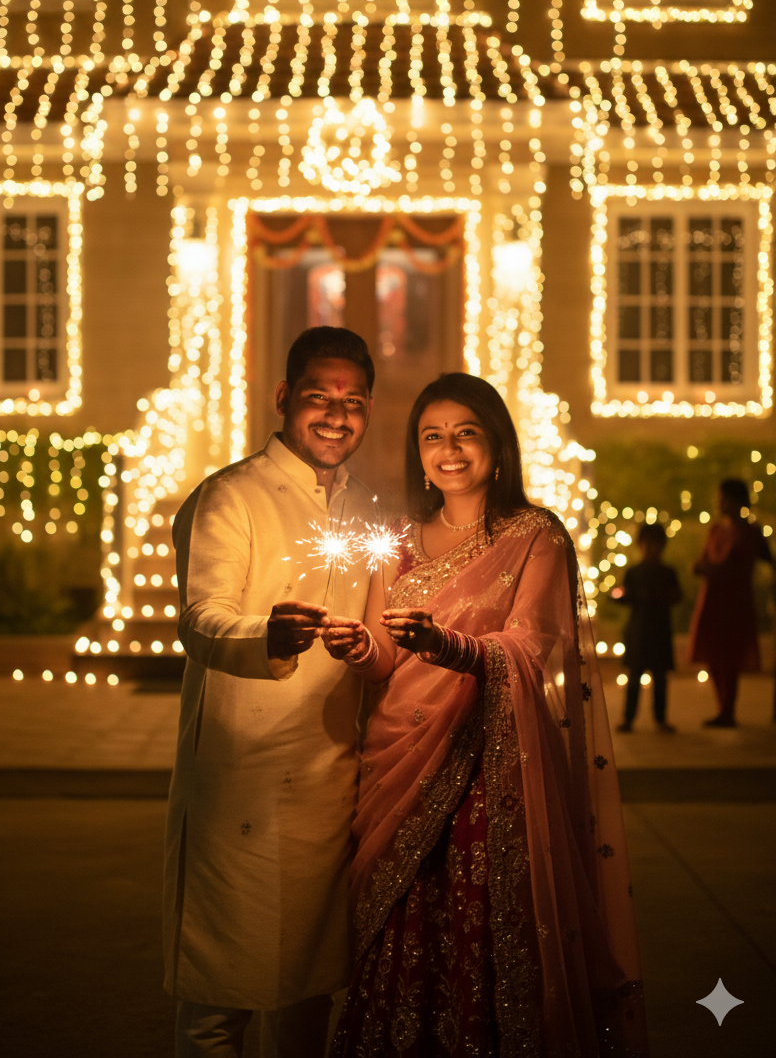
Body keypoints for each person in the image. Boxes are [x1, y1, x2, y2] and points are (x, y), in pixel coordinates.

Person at [321, 372, 649, 1058]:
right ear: (418, 452)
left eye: (466, 433)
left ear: (497, 446)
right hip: (399, 757)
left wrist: (450, 645)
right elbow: (385, 654)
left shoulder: (535, 536)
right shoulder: (400, 538)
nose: (449, 450)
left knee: (479, 918)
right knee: (403, 918)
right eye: (432, 436)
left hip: (490, 761)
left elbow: (534, 646)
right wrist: (361, 647)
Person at [163, 326, 379, 1058]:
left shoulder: (358, 509)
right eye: (319, 397)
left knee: (308, 991)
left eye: (352, 402)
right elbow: (200, 620)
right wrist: (269, 637)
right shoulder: (231, 495)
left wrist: (369, 645)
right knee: (220, 995)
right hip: (241, 779)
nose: (336, 415)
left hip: (327, 778)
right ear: (284, 398)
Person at [689, 477, 773, 728]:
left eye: (724, 498)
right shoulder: (717, 529)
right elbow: (704, 562)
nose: (720, 503)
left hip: (734, 601)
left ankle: (727, 710)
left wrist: (710, 569)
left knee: (730, 657)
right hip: (713, 599)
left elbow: (730, 567)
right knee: (715, 655)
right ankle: (722, 708)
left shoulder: (750, 532)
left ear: (737, 501)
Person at [611, 521, 682, 734]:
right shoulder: (634, 572)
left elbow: (677, 596)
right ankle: (628, 718)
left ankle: (660, 719)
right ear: (640, 545)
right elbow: (625, 595)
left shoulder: (667, 572)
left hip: (659, 630)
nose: (651, 548)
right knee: (634, 677)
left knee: (660, 678)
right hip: (639, 631)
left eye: (655, 544)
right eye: (647, 543)